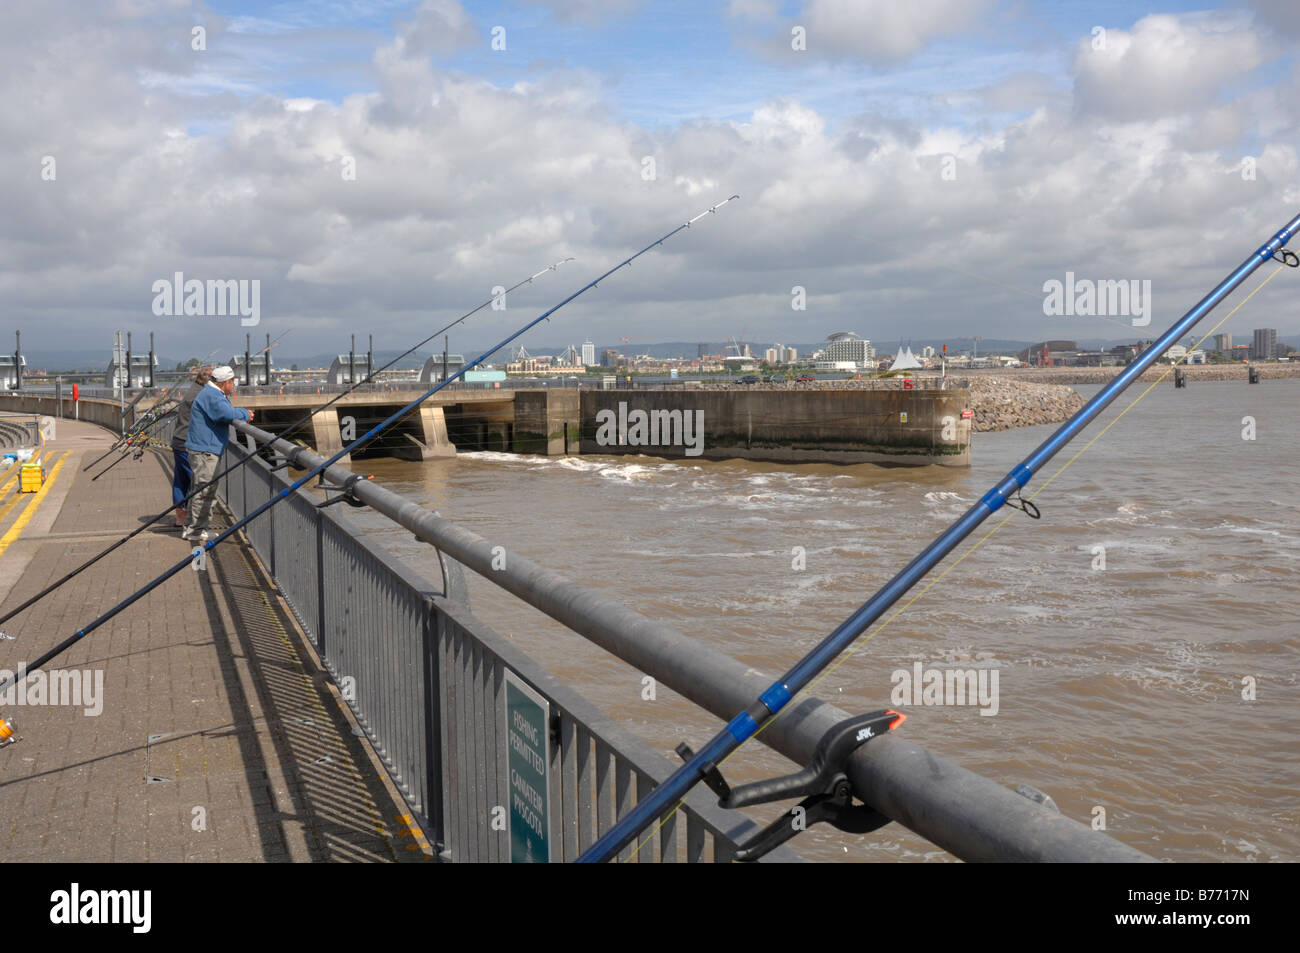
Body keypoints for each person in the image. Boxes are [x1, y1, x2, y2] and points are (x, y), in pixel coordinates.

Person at [183, 365, 253, 541]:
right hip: (205, 450)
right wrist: (245, 413)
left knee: (200, 489)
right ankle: (196, 530)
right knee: (205, 490)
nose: (233, 386)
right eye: (232, 383)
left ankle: (192, 527)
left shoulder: (211, 392)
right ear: (225, 383)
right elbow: (226, 413)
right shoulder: (213, 395)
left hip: (203, 448)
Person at [170, 365, 212, 528]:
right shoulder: (201, 395)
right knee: (198, 481)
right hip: (189, 443)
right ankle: (196, 523)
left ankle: (181, 517)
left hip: (179, 441)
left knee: (181, 481)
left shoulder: (194, 389)